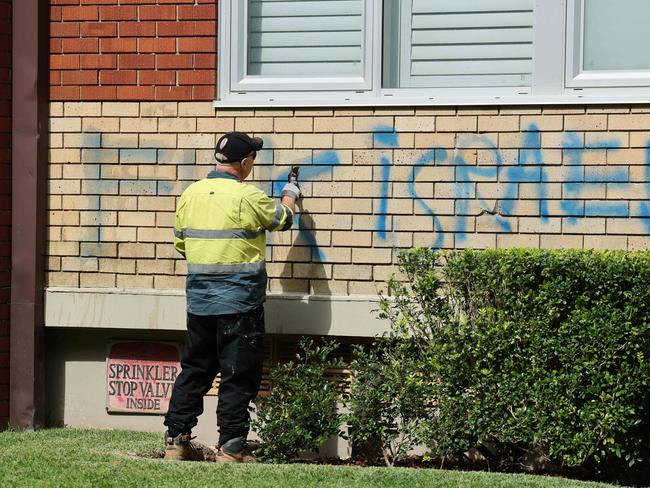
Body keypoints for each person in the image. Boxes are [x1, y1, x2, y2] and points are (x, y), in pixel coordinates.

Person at [163, 131, 301, 462]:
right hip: (241, 304)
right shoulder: (247, 197)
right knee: (238, 374)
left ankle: (176, 442)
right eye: (252, 159)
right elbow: (283, 219)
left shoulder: (190, 195)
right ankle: (231, 447)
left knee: (194, 370)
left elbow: (181, 244)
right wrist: (290, 194)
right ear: (244, 162)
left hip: (199, 303)